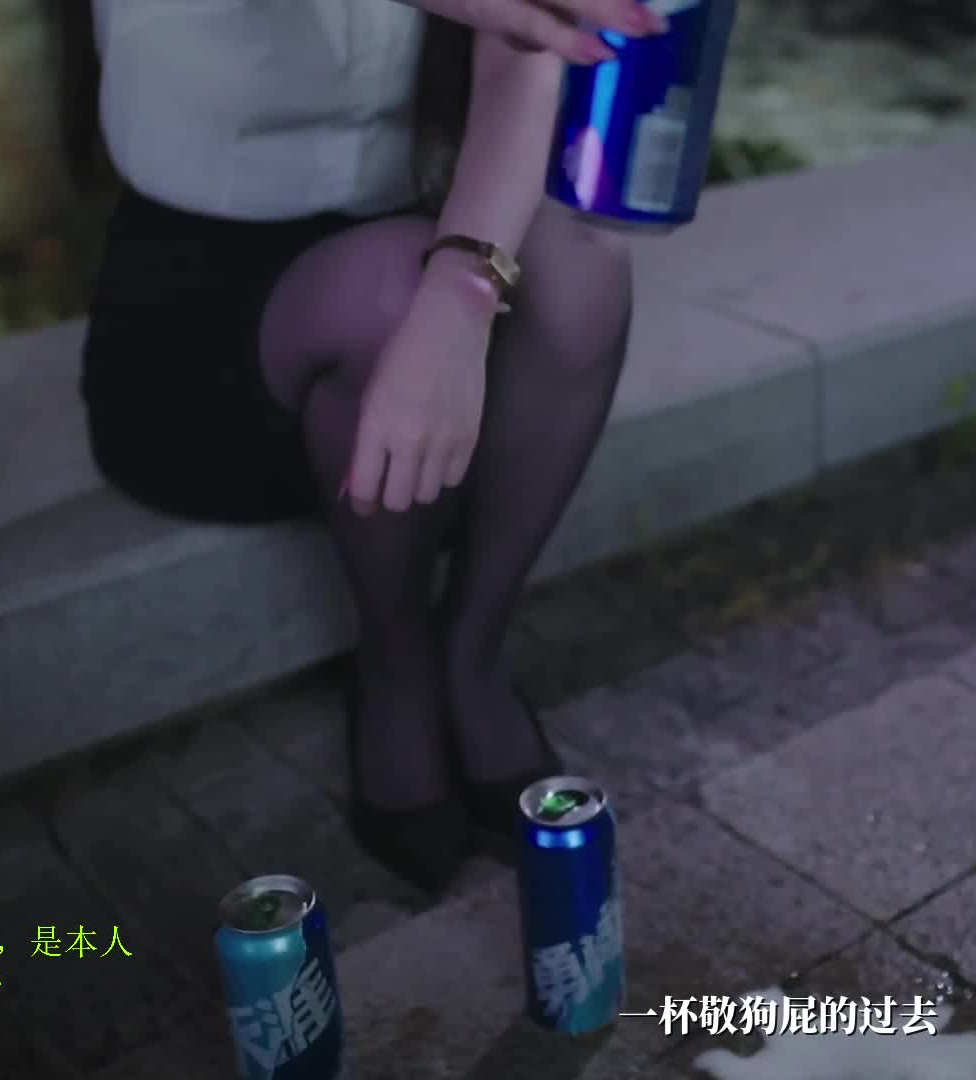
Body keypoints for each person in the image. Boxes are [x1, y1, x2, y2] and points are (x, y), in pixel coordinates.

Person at [56, 0, 668, 890]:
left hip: (417, 268)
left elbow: (522, 54)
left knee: (583, 259)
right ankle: (395, 671)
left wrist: (462, 294)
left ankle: (473, 650)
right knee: (389, 287)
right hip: (197, 334)